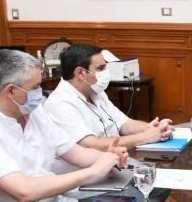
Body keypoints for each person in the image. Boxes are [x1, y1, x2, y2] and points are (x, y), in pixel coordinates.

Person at [0, 49, 127, 202]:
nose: (40, 93)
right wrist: (93, 171)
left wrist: (108, 157)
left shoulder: (32, 110)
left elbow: (75, 153)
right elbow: (24, 192)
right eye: (35, 86)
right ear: (11, 90)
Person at [44, 43, 173, 154]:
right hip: (86, 171)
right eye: (100, 68)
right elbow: (90, 145)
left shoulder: (95, 91)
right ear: (80, 73)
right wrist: (145, 137)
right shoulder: (60, 103)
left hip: (113, 160)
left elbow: (123, 123)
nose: (106, 72)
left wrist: (152, 128)